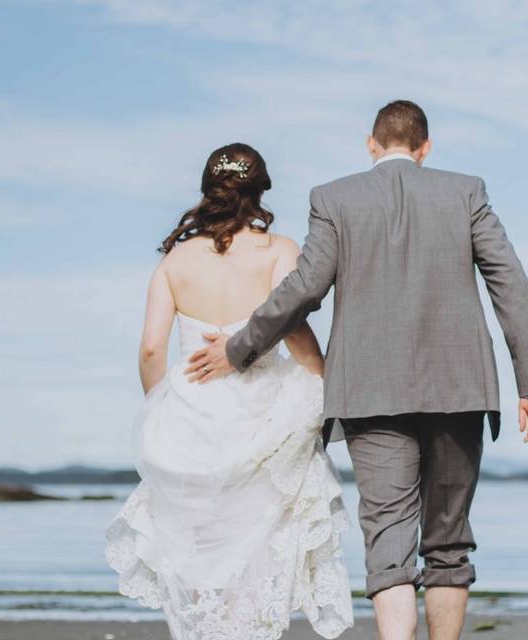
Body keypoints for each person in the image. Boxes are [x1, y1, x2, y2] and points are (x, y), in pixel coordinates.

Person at [187, 101, 528, 640]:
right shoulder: (466, 192)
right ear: (425, 148)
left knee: (388, 535)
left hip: (369, 392)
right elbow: (511, 285)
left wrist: (240, 348)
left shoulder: (334, 199)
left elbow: (303, 290)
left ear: (371, 144)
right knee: (449, 539)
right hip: (459, 388)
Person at [104, 143, 353, 640]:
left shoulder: (175, 261)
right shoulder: (277, 250)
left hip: (191, 418)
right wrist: (327, 380)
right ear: (259, 191)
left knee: (197, 552)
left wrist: (162, 412)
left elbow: (153, 349)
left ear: (207, 192)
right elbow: (294, 329)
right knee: (258, 549)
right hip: (263, 414)